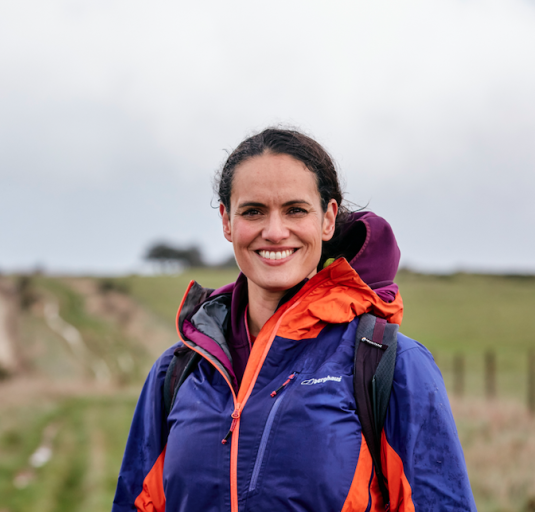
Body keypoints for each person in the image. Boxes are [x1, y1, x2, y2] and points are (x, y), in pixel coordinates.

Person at [112, 128, 476, 511]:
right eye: (253, 211)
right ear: (226, 221)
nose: (274, 232)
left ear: (328, 219)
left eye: (295, 210)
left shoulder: (390, 364)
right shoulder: (178, 372)